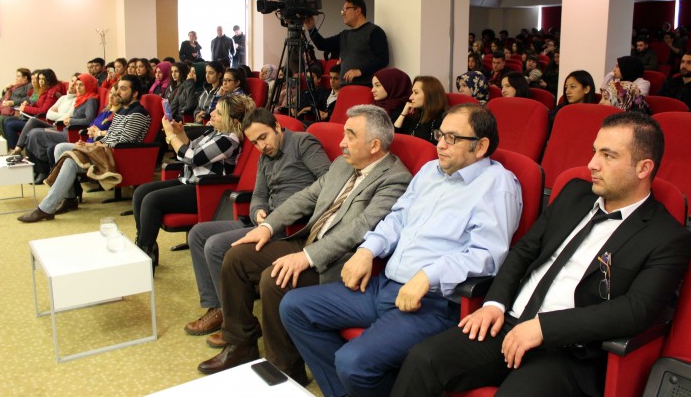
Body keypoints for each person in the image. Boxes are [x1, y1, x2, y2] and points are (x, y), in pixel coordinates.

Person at [391, 112, 691, 397]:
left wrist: (545, 328)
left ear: (643, 168)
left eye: (608, 156)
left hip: (567, 350)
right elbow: (524, 251)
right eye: (594, 151)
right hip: (507, 322)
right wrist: (494, 303)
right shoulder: (575, 193)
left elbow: (635, 310)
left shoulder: (666, 236)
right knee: (423, 359)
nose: (592, 164)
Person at [281, 104, 523, 397]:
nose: (440, 144)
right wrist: (366, 251)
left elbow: (486, 256)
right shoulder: (430, 171)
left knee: (352, 362)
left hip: (431, 303)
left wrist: (427, 276)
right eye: (440, 134)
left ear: (480, 146)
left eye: (452, 138)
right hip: (384, 286)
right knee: (294, 307)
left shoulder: (497, 185)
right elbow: (396, 219)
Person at [195, 105, 413, 383]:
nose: (341, 143)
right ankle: (241, 344)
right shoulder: (342, 165)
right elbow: (306, 197)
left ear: (374, 145)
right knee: (236, 257)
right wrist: (267, 226)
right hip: (309, 239)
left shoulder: (395, 179)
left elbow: (360, 229)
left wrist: (307, 257)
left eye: (350, 135)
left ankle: (286, 370)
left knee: (274, 279)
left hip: (337, 261)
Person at [184, 108, 331, 339]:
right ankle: (218, 307)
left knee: (215, 245)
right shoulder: (264, 157)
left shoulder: (303, 143)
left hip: (290, 227)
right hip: (263, 224)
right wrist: (257, 212)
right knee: (198, 233)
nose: (261, 146)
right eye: (255, 142)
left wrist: (275, 219)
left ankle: (237, 320)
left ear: (277, 127)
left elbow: (330, 182)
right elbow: (259, 194)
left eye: (264, 137)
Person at [132, 94, 256, 264]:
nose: (212, 113)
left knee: (151, 200)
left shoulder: (229, 140)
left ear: (233, 121)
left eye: (219, 113)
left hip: (204, 191)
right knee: (141, 192)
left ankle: (145, 253)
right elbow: (191, 148)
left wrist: (171, 136)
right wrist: (180, 133)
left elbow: (193, 158)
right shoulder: (214, 132)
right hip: (190, 181)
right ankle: (145, 243)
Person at [17, 75, 151, 223]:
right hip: (104, 151)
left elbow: (124, 143)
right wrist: (91, 144)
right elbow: (112, 137)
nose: (118, 92)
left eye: (123, 89)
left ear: (135, 93)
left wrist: (95, 145)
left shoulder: (137, 113)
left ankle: (46, 208)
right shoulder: (122, 110)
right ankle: (69, 198)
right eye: (118, 88)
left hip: (117, 158)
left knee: (71, 162)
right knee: (60, 148)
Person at [24, 73, 100, 183]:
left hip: (73, 134)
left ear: (88, 85)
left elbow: (89, 120)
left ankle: (43, 170)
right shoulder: (81, 98)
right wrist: (70, 119)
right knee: (31, 134)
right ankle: (40, 169)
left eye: (81, 85)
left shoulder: (91, 99)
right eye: (77, 84)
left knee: (35, 134)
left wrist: (71, 120)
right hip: (66, 129)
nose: (78, 87)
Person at [304, 0, 389, 87]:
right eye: (342, 11)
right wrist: (311, 28)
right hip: (344, 87)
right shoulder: (345, 35)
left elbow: (383, 59)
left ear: (358, 11)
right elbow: (322, 45)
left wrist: (360, 71)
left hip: (364, 87)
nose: (343, 13)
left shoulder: (374, 32)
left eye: (346, 9)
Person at [2, 68, 64, 150]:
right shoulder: (38, 90)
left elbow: (43, 109)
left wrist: (25, 107)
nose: (37, 81)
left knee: (10, 124)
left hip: (41, 119)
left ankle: (16, 148)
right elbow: (34, 102)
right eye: (38, 79)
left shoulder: (49, 92)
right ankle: (13, 148)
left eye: (42, 79)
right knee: (6, 120)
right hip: (32, 115)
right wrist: (26, 105)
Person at [394, 75, 448, 144]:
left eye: (416, 93)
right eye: (412, 92)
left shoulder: (444, 118)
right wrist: (403, 114)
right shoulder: (417, 113)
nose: (410, 97)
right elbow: (395, 136)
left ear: (430, 95)